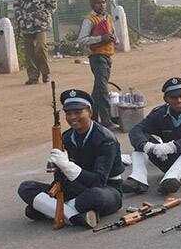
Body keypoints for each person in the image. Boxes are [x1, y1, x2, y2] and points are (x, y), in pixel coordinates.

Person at [17, 89, 124, 228]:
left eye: (78, 112)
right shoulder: (66, 137)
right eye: (68, 113)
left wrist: (67, 166)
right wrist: (58, 171)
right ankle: (75, 216)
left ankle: (51, 210)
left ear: (90, 112)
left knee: (95, 197)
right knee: (26, 188)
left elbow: (98, 181)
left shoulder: (105, 139)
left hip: (105, 188)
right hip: (74, 188)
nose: (73, 117)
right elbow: (59, 178)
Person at [122, 77, 181, 195]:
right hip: (169, 160)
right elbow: (136, 130)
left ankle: (172, 178)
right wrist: (147, 146)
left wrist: (173, 146)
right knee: (141, 141)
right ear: (166, 99)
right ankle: (139, 179)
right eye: (174, 97)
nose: (179, 100)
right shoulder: (159, 113)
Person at [76, 0, 116, 126]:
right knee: (103, 89)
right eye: (98, 3)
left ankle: (92, 119)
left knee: (98, 89)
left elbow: (113, 34)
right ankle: (106, 121)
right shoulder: (89, 20)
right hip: (97, 57)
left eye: (104, 2)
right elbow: (82, 39)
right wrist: (100, 38)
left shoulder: (108, 18)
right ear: (93, 4)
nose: (102, 5)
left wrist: (113, 39)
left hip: (108, 55)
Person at [13, 0, 56, 85]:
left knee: (41, 48)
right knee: (29, 51)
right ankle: (33, 76)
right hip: (26, 24)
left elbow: (52, 5)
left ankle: (45, 72)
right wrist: (20, 18)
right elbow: (16, 5)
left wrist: (44, 15)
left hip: (40, 24)